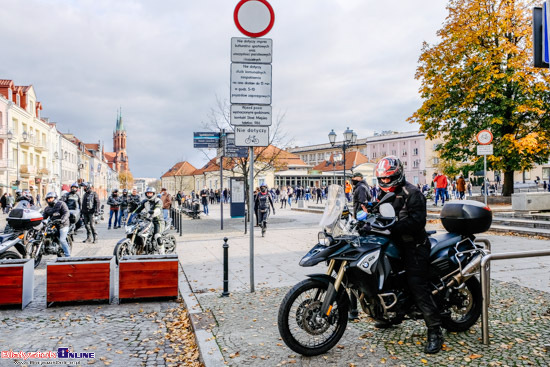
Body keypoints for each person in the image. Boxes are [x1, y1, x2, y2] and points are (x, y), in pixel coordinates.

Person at [373, 156, 443, 354]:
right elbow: (377, 211)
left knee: (416, 284)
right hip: (394, 245)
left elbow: (417, 222)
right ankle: (391, 314)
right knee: (388, 279)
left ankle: (434, 331)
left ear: (398, 174)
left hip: (414, 245)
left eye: (389, 178)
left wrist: (392, 227)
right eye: (382, 179)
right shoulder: (383, 194)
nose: (385, 182)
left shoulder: (412, 193)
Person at [133, 187, 165, 254]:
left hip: (158, 221)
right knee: (140, 233)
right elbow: (138, 209)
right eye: (148, 193)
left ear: (153, 193)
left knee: (157, 236)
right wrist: (133, 213)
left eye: (150, 193)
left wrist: (154, 212)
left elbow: (158, 208)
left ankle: (162, 253)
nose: (149, 195)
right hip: (148, 221)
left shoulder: (158, 200)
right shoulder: (145, 202)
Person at [42, 192, 71, 257]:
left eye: (51, 198)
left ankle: (68, 256)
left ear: (55, 198)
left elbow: (66, 213)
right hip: (53, 224)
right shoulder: (47, 208)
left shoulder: (61, 204)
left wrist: (63, 219)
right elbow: (43, 216)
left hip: (63, 224)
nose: (49, 200)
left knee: (62, 240)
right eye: (48, 199)